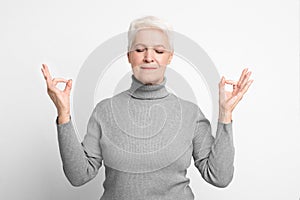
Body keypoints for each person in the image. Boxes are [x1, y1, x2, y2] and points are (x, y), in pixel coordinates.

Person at [41, 16, 253, 200]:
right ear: (129, 56)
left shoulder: (190, 114)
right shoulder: (104, 111)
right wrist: (64, 115)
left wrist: (225, 116)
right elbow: (79, 176)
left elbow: (220, 177)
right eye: (140, 49)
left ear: (169, 57)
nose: (149, 57)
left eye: (159, 50)